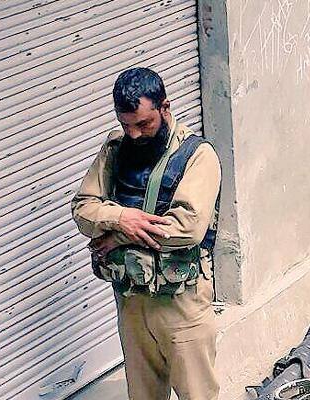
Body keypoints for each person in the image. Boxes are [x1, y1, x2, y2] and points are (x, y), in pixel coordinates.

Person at [71, 67, 221, 400]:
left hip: (180, 303)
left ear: (165, 108)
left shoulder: (198, 156)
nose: (135, 135)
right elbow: (83, 209)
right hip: (131, 301)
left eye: (144, 124)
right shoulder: (115, 148)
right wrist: (121, 217)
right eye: (126, 125)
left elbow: (187, 227)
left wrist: (119, 234)